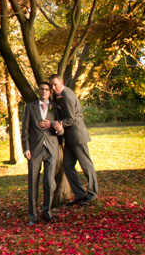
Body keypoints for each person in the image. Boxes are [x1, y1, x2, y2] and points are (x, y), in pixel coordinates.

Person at [43, 73, 98, 205]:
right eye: (51, 86)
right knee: (67, 165)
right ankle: (79, 195)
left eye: (55, 85)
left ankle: (93, 193)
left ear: (61, 83)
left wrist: (53, 124)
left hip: (77, 136)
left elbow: (71, 119)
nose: (53, 88)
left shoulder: (67, 96)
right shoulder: (60, 96)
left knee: (86, 166)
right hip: (69, 138)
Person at [21, 81, 62, 224]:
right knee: (33, 183)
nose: (44, 92)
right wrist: (26, 148)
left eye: (47, 89)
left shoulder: (55, 108)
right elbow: (25, 130)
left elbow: (61, 129)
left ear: (50, 92)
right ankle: (33, 216)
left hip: (51, 148)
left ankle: (47, 212)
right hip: (34, 150)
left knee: (49, 183)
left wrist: (57, 129)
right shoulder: (30, 107)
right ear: (38, 91)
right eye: (42, 89)